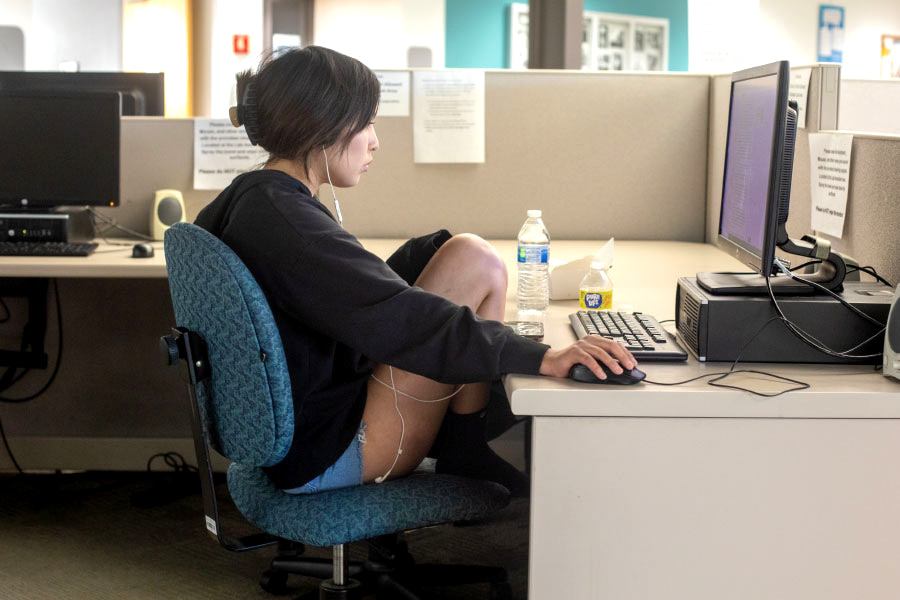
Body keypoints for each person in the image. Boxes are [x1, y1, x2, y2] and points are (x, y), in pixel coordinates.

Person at [195, 46, 636, 497]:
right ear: (322, 126)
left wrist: (421, 261)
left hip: (297, 432)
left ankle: (465, 448)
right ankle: (465, 449)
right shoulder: (291, 227)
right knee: (470, 272)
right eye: (365, 122)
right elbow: (398, 318)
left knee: (466, 254)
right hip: (329, 451)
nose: (374, 141)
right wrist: (542, 357)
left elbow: (336, 297)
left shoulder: (253, 200)